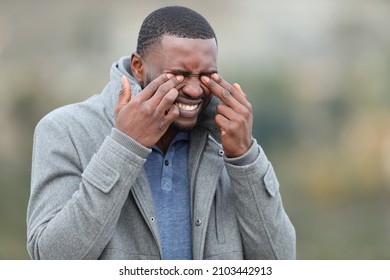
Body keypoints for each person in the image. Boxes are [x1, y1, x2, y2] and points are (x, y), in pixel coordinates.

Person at [27, 6, 296, 260]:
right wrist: (125, 146)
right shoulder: (65, 130)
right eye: (178, 75)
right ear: (138, 66)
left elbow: (278, 261)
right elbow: (52, 258)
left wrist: (245, 157)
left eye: (206, 75)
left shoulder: (226, 139)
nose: (194, 90)